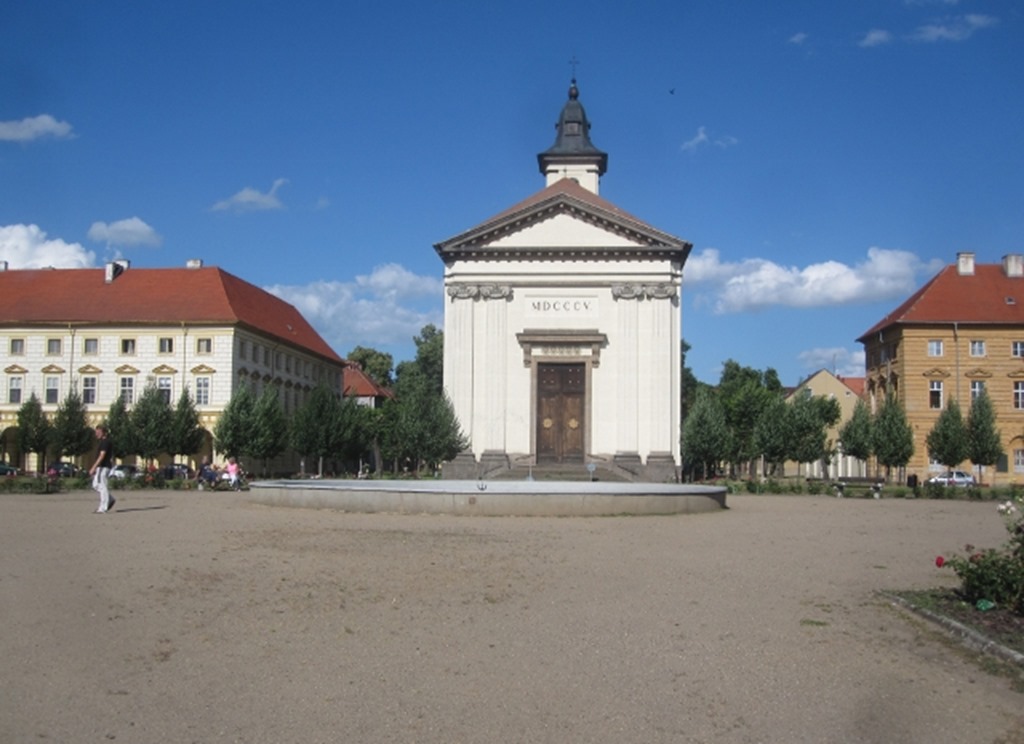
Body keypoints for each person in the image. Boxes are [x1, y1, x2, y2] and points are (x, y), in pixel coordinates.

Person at [89, 425, 115, 513]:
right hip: (101, 467)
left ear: (104, 433)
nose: (97, 434)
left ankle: (103, 507)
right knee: (95, 484)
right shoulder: (102, 442)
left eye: (98, 432)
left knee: (102, 485)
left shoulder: (105, 442)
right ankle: (110, 499)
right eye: (96, 432)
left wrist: (94, 467)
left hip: (104, 466)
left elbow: (102, 456)